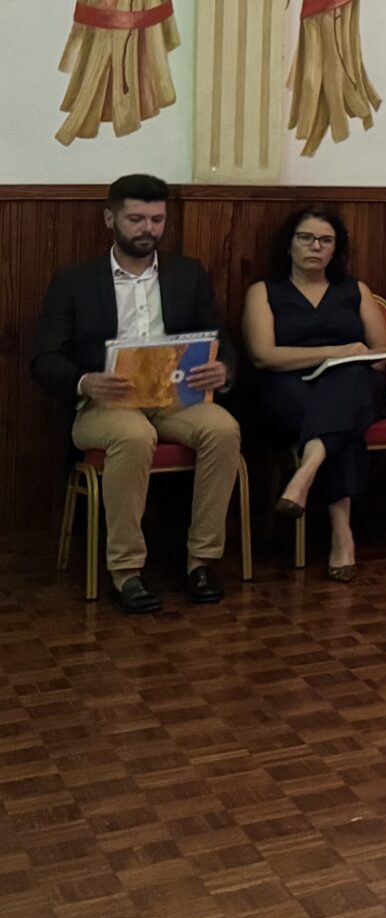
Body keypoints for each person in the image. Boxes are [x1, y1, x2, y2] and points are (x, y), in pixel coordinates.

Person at [29, 174, 245, 614]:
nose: (148, 228)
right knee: (133, 435)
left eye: (157, 219)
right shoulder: (74, 281)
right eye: (136, 219)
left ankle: (202, 561)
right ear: (110, 219)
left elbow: (219, 335)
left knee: (224, 429)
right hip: (105, 404)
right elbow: (44, 358)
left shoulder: (187, 273)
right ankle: (126, 570)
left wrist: (223, 369)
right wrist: (84, 381)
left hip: (173, 398)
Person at [245, 206, 386, 583]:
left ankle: (305, 473)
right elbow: (263, 356)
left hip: (354, 383)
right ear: (289, 244)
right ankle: (342, 535)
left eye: (326, 240)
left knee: (348, 384)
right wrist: (336, 352)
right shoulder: (264, 292)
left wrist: (356, 360)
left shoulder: (355, 290)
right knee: (342, 422)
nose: (316, 246)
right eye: (306, 238)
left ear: (336, 249)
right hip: (288, 387)